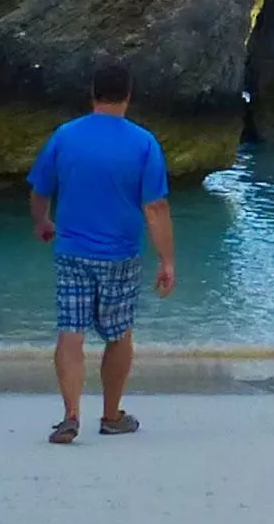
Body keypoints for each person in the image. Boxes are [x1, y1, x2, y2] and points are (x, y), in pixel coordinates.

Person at [26, 58, 175, 445]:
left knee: (70, 331)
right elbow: (155, 208)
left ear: (92, 93)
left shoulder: (65, 136)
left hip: (72, 252)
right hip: (120, 256)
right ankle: (111, 416)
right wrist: (166, 260)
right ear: (128, 96)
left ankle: (71, 416)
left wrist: (42, 222)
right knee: (119, 333)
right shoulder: (144, 142)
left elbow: (40, 189)